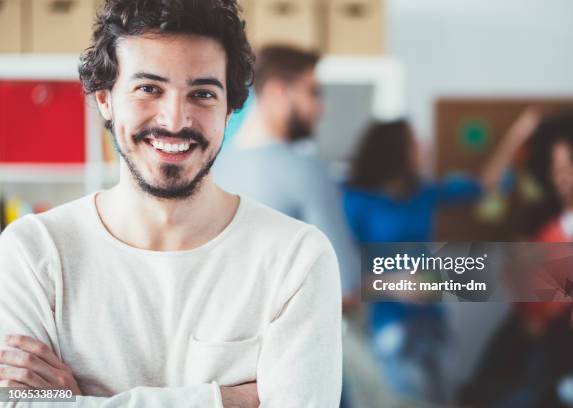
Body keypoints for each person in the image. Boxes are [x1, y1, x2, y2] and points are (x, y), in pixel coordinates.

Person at [0, 1, 342, 407]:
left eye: (202, 93)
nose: (175, 119)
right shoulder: (33, 252)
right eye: (149, 88)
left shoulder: (296, 257)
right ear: (105, 99)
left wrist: (77, 403)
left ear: (230, 108)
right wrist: (222, 400)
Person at [342, 117, 519, 402]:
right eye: (415, 141)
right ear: (394, 150)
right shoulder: (355, 201)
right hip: (390, 329)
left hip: (433, 324)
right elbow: (344, 280)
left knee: (445, 398)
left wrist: (519, 131)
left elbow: (487, 184)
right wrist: (393, 284)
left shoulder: (424, 193)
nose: (424, 146)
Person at [461, 108, 573, 407]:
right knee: (484, 385)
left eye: (570, 166)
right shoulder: (548, 218)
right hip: (530, 326)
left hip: (567, 339)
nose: (562, 177)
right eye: (556, 167)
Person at [214, 46, 360, 302]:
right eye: (313, 93)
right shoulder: (305, 170)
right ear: (277, 91)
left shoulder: (216, 165)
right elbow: (345, 285)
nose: (320, 108)